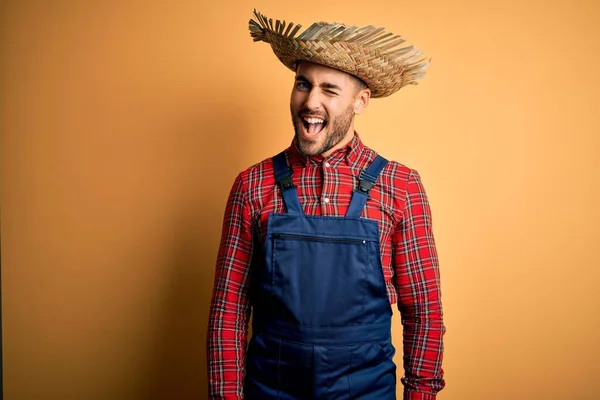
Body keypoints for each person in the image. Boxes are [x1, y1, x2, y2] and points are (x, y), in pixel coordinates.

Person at [207, 9, 445, 400]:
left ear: (361, 101)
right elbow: (227, 311)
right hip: (272, 390)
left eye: (329, 90)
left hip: (366, 391)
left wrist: (421, 395)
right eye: (303, 84)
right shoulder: (253, 185)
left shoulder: (400, 187)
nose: (310, 101)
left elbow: (424, 313)